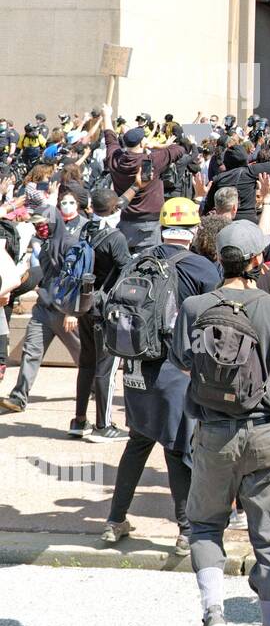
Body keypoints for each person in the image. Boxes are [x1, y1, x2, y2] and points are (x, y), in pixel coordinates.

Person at [170, 220, 270, 626]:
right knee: (269, 539)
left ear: (220, 258)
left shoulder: (195, 307)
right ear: (257, 260)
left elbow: (185, 365)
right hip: (267, 433)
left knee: (205, 527)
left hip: (214, 432)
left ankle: (214, 614)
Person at [101, 198, 220, 555]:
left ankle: (114, 521)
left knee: (138, 442)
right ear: (194, 230)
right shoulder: (201, 267)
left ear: (163, 228)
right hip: (174, 368)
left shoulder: (139, 260)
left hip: (136, 364)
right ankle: (186, 531)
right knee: (177, 446)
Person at [1, 186, 84, 413]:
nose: (40, 228)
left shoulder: (71, 245)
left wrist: (73, 311)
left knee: (82, 355)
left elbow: (80, 279)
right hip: (43, 309)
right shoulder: (43, 245)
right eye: (36, 225)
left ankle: (96, 386)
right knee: (31, 351)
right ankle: (19, 397)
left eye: (43, 224)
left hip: (66, 311)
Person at [71, 187, 132, 442]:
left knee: (86, 363)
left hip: (84, 303)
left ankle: (79, 420)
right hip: (104, 308)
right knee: (106, 366)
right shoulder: (115, 237)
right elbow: (126, 269)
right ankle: (103, 425)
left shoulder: (85, 229)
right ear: (114, 208)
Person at [104, 107, 187, 251]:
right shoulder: (151, 160)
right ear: (142, 143)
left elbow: (110, 139)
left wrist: (106, 115)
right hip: (150, 224)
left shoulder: (115, 159)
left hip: (125, 220)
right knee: (149, 260)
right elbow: (179, 150)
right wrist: (155, 145)